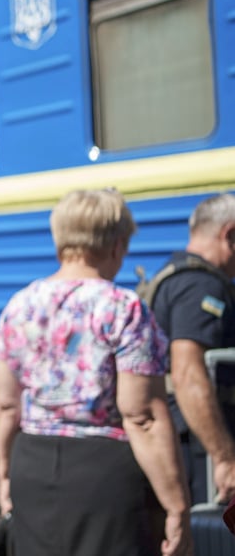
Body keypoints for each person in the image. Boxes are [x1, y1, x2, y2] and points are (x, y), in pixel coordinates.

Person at [0, 188, 192, 556]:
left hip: (31, 463)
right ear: (117, 244)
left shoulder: (19, 306)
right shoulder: (123, 308)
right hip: (104, 471)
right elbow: (143, 415)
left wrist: (5, 476)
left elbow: (7, 406)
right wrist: (177, 505)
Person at [149, 193, 235, 506]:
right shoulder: (202, 286)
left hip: (183, 434)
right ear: (230, 235)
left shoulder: (172, 274)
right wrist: (224, 458)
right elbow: (188, 373)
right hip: (199, 444)